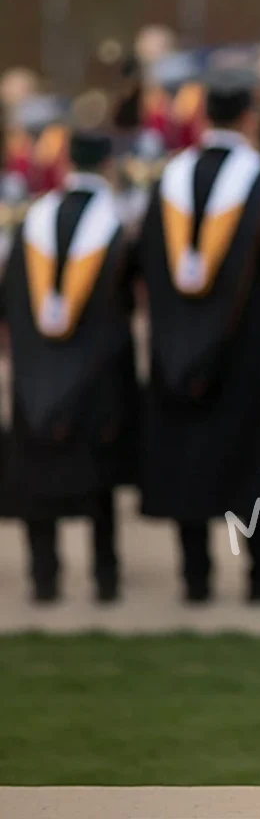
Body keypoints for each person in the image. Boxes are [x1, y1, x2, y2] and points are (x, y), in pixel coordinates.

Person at [138, 67, 260, 604]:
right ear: (249, 118)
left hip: (175, 344)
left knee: (188, 449)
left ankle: (194, 576)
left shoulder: (167, 183)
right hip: (248, 343)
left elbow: (145, 259)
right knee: (253, 454)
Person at [0, 132, 140, 604]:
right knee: (97, 482)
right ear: (106, 165)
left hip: (34, 380)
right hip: (96, 381)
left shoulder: (31, 223)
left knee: (36, 477)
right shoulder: (114, 227)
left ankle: (44, 578)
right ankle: (105, 577)